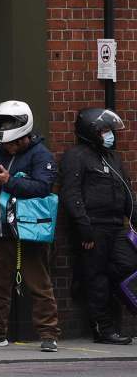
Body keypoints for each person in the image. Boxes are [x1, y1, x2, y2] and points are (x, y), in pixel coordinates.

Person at [0, 100, 60, 352]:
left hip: (29, 230)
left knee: (39, 284)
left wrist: (7, 181)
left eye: (10, 144)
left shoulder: (42, 156)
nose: (5, 148)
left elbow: (42, 188)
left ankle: (49, 334)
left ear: (23, 136)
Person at [60, 108, 135, 345]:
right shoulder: (77, 156)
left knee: (128, 264)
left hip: (116, 227)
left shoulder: (113, 158)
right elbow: (71, 194)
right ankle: (102, 329)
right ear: (90, 132)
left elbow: (126, 193)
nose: (109, 134)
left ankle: (85, 281)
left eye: (110, 130)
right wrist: (84, 227)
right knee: (98, 278)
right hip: (93, 228)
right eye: (104, 130)